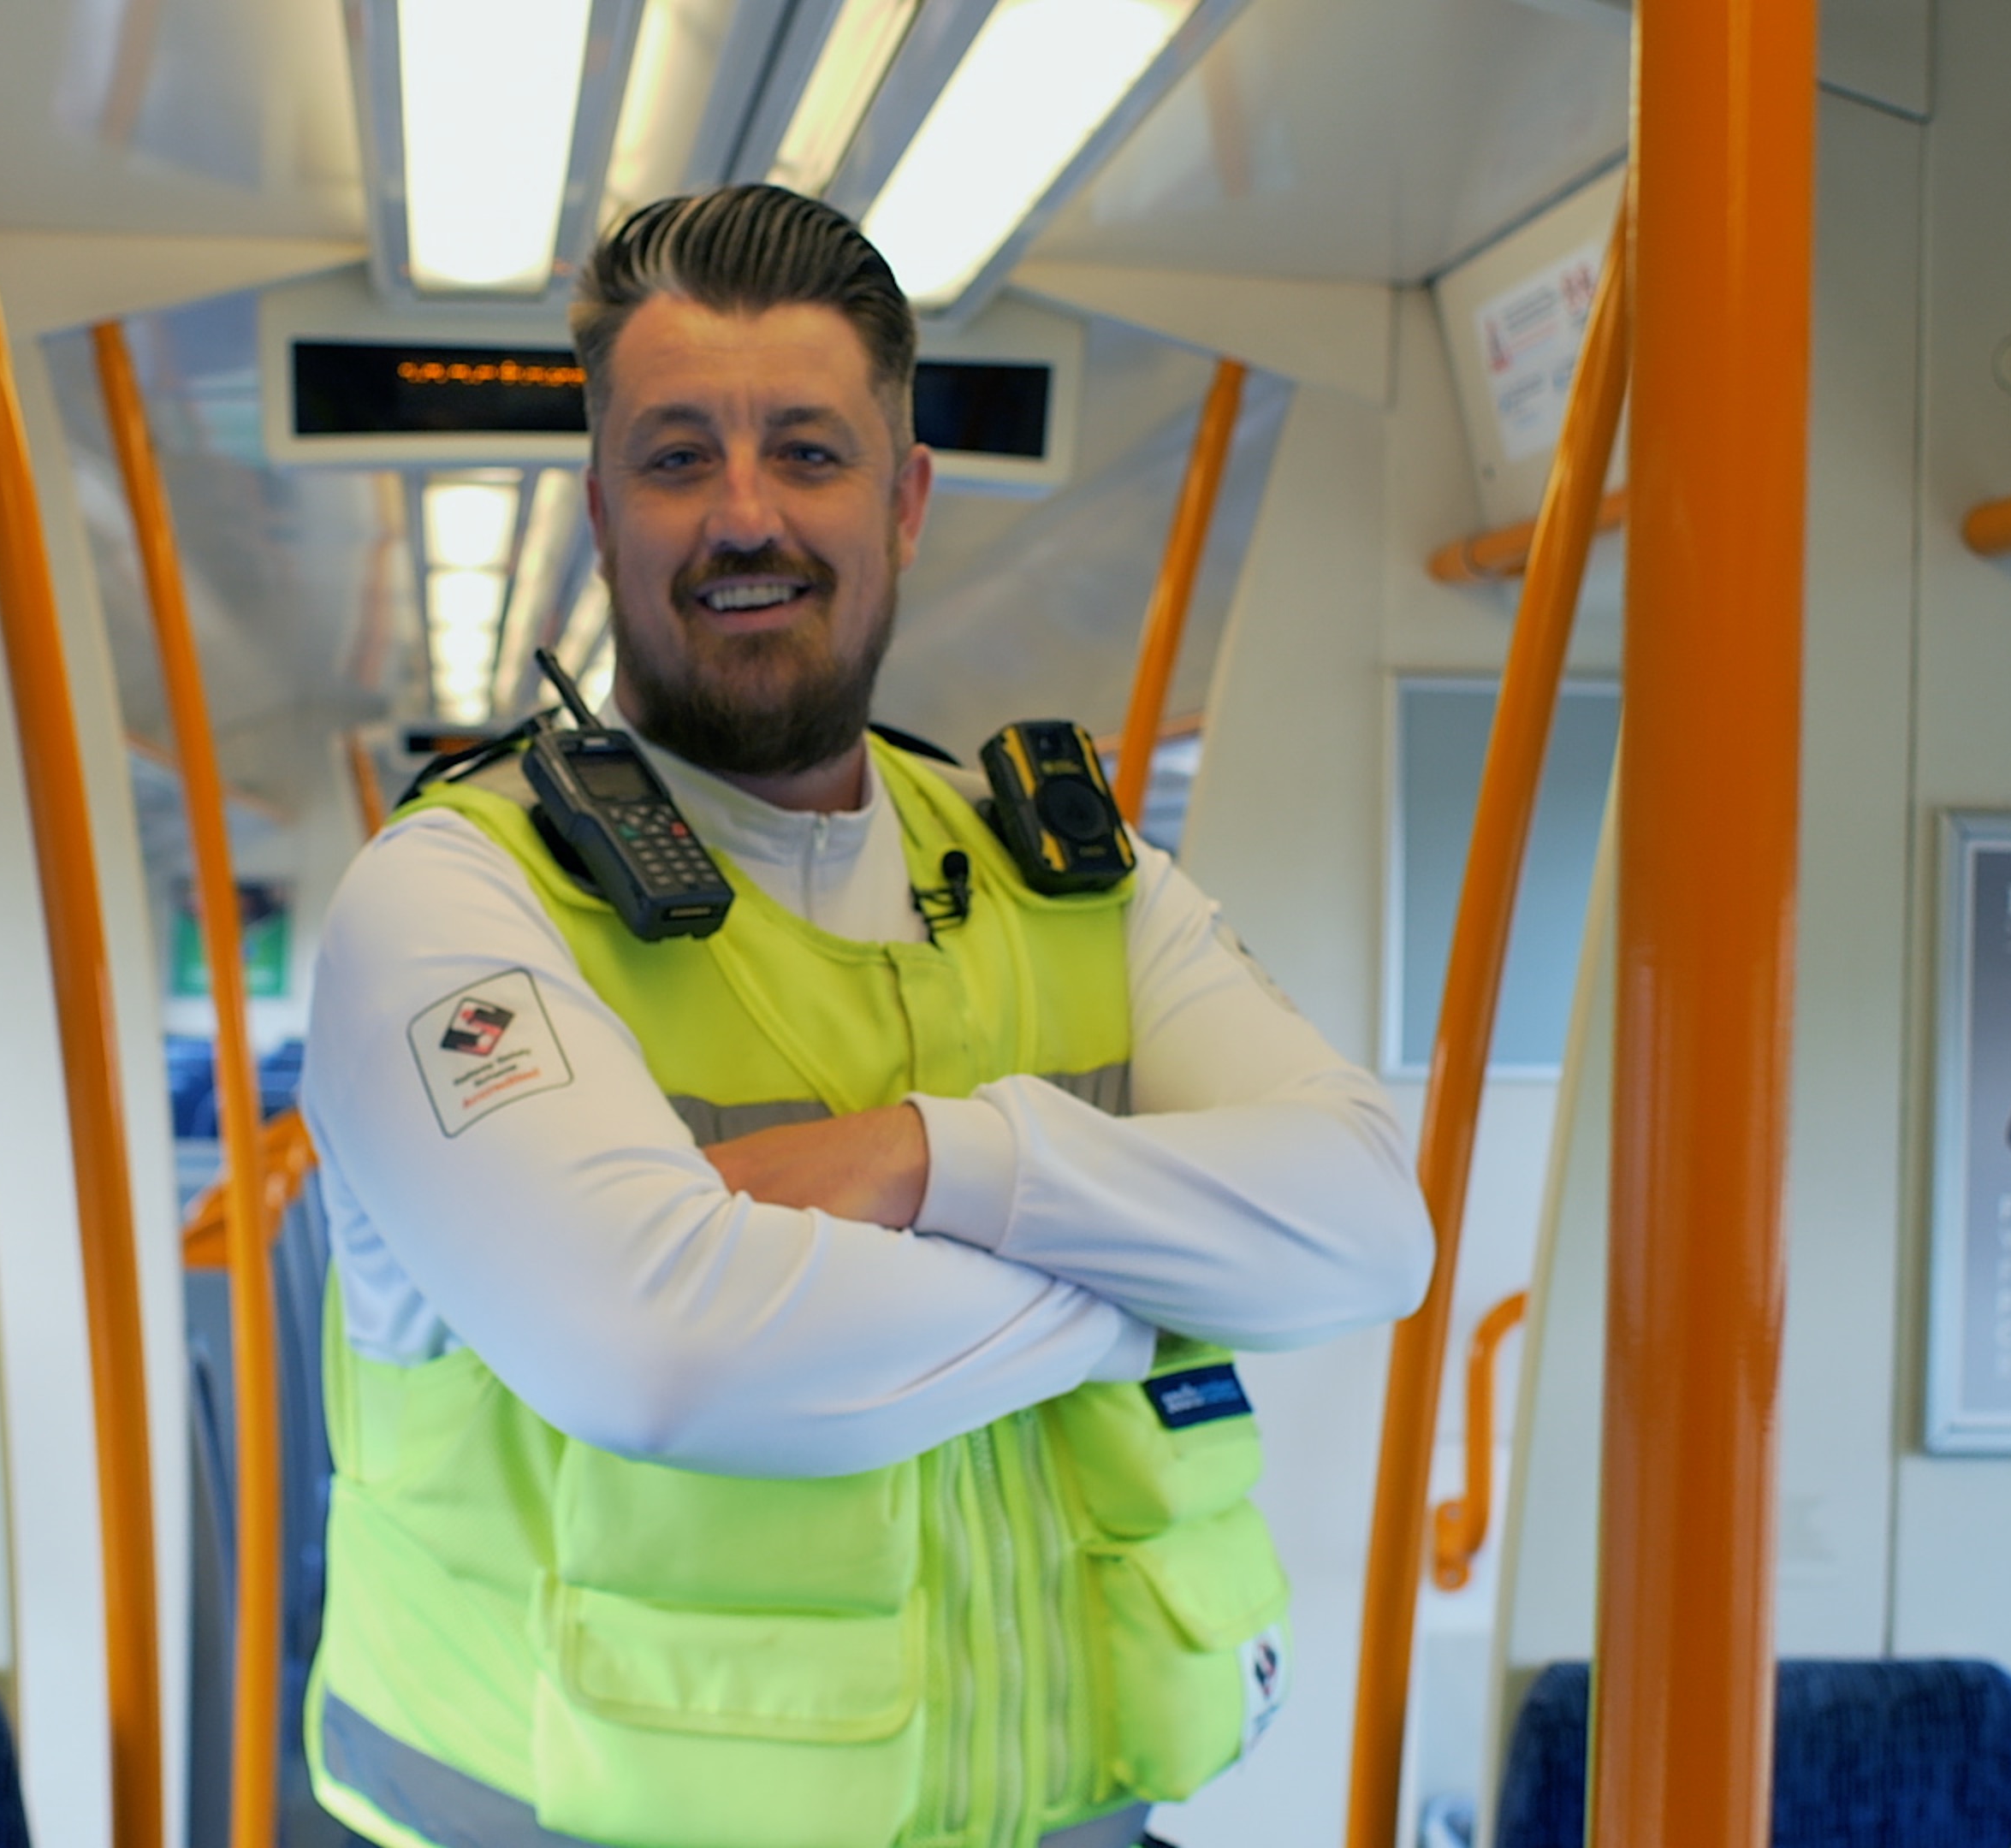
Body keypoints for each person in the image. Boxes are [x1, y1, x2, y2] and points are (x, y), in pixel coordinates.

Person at [298, 184, 1433, 1848]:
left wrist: (932, 1162)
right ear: (604, 509)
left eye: (808, 453)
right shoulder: (453, 901)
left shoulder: (1076, 878)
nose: (744, 515)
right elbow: (664, 1352)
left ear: (904, 501)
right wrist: (1154, 1291)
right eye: (677, 457)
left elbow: (1370, 1226)